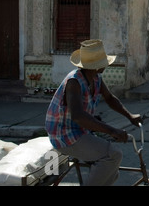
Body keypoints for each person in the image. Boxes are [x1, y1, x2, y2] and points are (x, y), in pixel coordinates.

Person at [45, 39, 142, 186]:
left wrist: (130, 116)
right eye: (103, 61)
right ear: (95, 66)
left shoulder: (96, 79)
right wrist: (112, 131)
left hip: (80, 131)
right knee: (113, 155)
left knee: (111, 172)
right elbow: (78, 116)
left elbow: (109, 98)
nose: (106, 64)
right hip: (65, 135)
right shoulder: (74, 82)